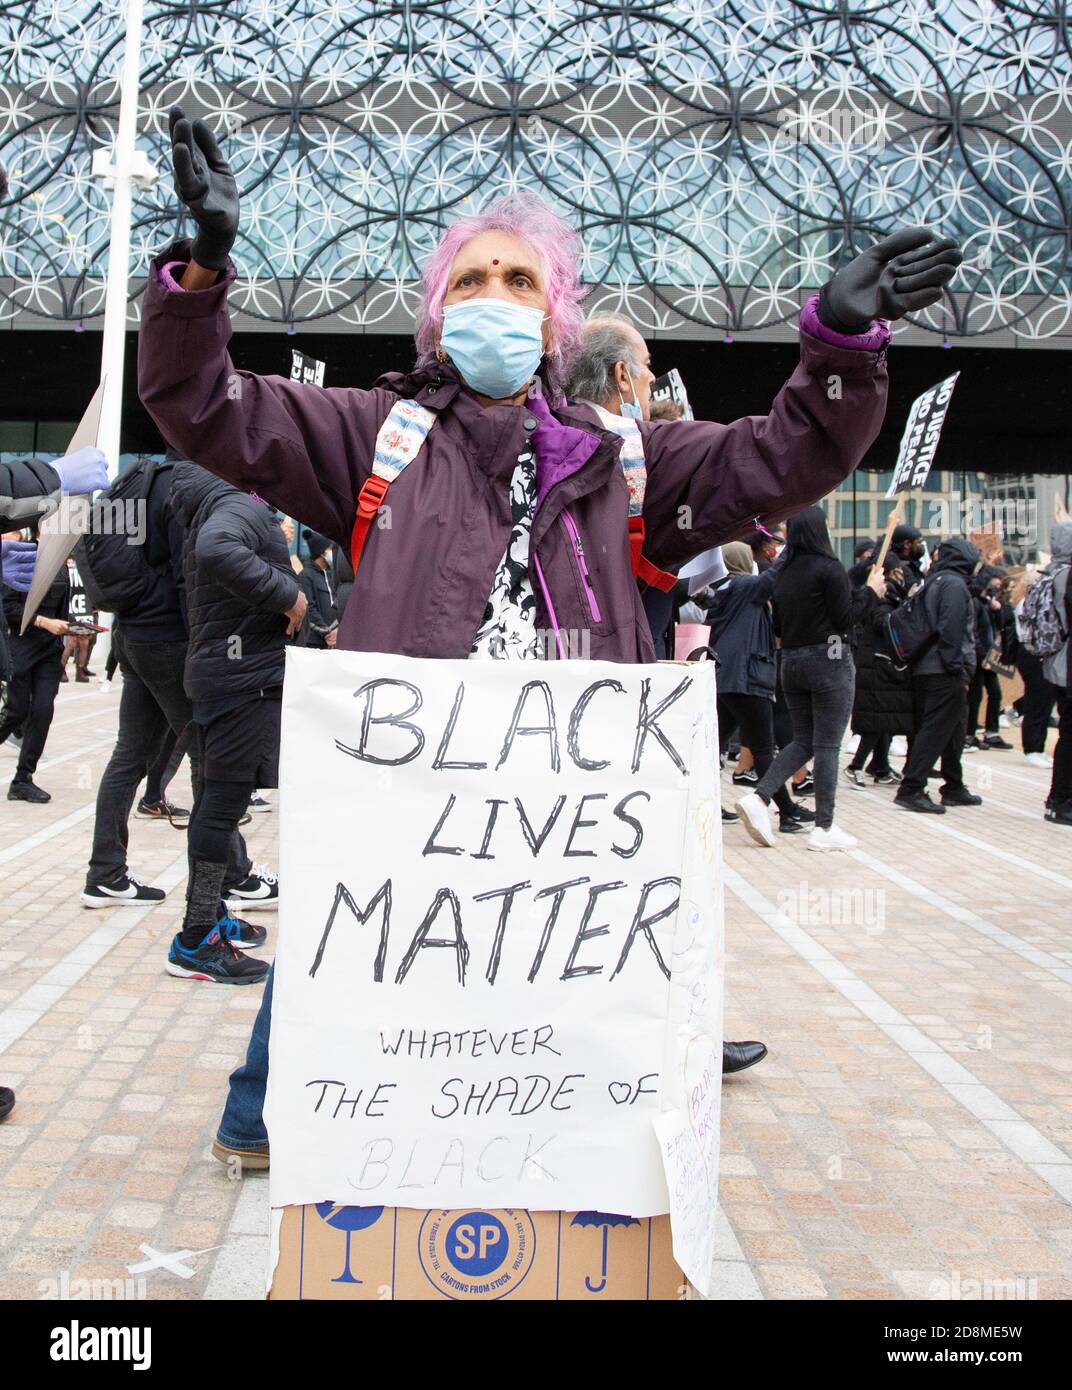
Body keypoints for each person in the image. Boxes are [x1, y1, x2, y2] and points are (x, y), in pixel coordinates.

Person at [140, 107, 959, 1165]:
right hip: (409, 805)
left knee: (557, 999)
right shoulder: (366, 434)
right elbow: (201, 401)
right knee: (362, 947)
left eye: (519, 282)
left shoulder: (630, 459)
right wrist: (197, 277)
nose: (493, 298)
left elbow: (782, 457)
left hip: (562, 827)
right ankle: (274, 1118)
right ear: (437, 314)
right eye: (471, 281)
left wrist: (838, 346)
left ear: (553, 319)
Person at [164, 462, 307, 981]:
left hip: (221, 675)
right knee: (220, 811)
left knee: (214, 806)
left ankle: (211, 918)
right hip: (239, 682)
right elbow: (218, 552)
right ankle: (196, 938)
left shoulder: (209, 507)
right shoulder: (235, 506)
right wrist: (288, 593)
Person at [736, 507, 857, 850]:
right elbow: (845, 620)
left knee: (803, 739)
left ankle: (759, 797)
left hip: (790, 661)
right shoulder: (830, 569)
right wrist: (871, 592)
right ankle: (825, 826)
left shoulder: (782, 573)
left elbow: (777, 626)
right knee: (827, 744)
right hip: (829, 660)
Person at [706, 542, 813, 834]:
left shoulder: (720, 591)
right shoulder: (744, 587)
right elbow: (772, 577)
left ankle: (702, 805)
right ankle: (788, 813)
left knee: (712, 747)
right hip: (747, 678)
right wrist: (794, 544)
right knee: (764, 749)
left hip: (725, 680)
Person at [894, 537, 983, 814]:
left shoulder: (934, 581)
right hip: (943, 669)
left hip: (926, 667)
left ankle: (953, 785)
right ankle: (911, 788)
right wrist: (958, 669)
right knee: (935, 729)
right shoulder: (954, 585)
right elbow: (951, 630)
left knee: (953, 727)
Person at [0, 525, 70, 802]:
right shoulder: (21, 557)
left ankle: (22, 779)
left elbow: (62, 611)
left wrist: (73, 629)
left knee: (43, 711)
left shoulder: (63, 566)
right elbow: (9, 609)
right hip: (22, 645)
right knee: (16, 711)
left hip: (50, 651)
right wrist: (44, 622)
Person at [844, 552, 911, 785]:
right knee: (877, 721)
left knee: (883, 719)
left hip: (878, 661)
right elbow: (882, 622)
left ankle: (880, 766)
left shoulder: (885, 592)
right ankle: (855, 766)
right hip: (876, 662)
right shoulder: (884, 593)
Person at [1040, 522, 1072, 824]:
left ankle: (1057, 798)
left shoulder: (1055, 572)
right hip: (1068, 667)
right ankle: (1062, 800)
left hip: (1059, 665)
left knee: (1066, 733)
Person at [966, 566, 1013, 750]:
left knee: (995, 694)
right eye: (994, 581)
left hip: (989, 658)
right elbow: (973, 632)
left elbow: (1002, 625)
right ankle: (969, 734)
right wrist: (981, 657)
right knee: (975, 696)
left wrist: (998, 609)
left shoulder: (989, 603)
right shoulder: (976, 602)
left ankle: (991, 732)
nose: (997, 586)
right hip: (979, 658)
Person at [298, 529, 339, 648]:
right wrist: (327, 632)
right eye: (330, 549)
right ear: (322, 553)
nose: (333, 553)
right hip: (315, 641)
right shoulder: (305, 575)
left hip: (334, 639)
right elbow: (309, 608)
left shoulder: (333, 574)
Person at [890, 523, 926, 590]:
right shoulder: (902, 568)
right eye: (919, 542)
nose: (921, 546)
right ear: (907, 544)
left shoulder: (910, 565)